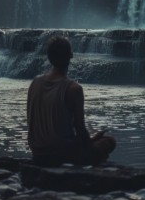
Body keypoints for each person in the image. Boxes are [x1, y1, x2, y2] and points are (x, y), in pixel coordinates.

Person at [27, 35, 116, 166]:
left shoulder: (35, 82)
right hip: (63, 154)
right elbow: (80, 129)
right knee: (109, 141)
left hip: (37, 152)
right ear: (71, 56)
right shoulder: (74, 89)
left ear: (49, 57)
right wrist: (91, 141)